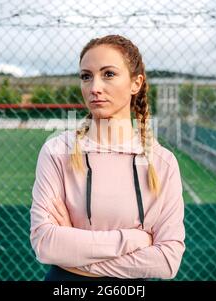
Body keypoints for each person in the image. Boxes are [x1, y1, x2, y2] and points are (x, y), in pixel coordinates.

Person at [30, 34, 185, 281]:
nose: (94, 88)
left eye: (109, 74)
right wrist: (133, 240)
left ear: (136, 83)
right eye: (86, 76)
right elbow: (44, 243)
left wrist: (74, 258)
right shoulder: (57, 152)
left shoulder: (162, 163)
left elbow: (167, 261)